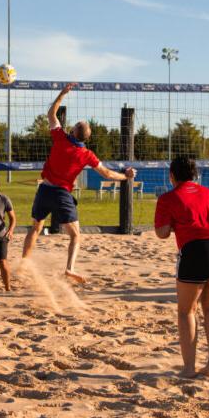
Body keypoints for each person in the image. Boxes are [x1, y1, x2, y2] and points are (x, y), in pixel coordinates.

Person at [22, 83, 137, 283]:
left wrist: (62, 94)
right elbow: (107, 174)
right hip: (61, 195)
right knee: (75, 235)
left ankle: (24, 263)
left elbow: (51, 114)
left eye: (75, 124)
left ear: (74, 131)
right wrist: (126, 177)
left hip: (45, 189)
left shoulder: (60, 138)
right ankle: (69, 269)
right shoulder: (86, 154)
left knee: (35, 228)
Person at [154, 157, 209, 381]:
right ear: (195, 175)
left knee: (186, 311)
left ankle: (189, 368)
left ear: (172, 176)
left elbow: (161, 233)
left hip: (197, 250)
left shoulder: (168, 198)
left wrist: (174, 225)